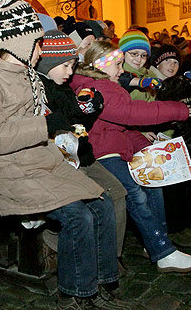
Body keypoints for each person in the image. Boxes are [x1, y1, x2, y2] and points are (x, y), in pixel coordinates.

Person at [0, 0, 132, 310]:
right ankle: (72, 301)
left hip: (39, 160)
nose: (40, 51)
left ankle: (99, 289)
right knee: (77, 216)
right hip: (6, 169)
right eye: (36, 42)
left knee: (102, 203)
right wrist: (47, 126)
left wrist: (72, 115)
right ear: (17, 42)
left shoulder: (24, 73)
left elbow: (48, 115)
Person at [70, 40, 191, 273]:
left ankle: (157, 243)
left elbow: (121, 127)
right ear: (100, 64)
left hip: (113, 147)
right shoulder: (97, 87)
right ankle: (163, 252)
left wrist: (147, 150)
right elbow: (131, 114)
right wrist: (178, 109)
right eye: (118, 65)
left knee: (154, 182)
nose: (122, 71)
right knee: (134, 192)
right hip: (102, 153)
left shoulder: (104, 84)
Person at [35, 30, 129, 259]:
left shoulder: (63, 84)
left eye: (72, 65)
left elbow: (74, 118)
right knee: (98, 203)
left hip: (82, 155)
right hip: (64, 160)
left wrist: (88, 109)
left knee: (117, 192)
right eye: (65, 65)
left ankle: (109, 257)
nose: (70, 71)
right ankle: (92, 256)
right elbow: (60, 119)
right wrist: (84, 110)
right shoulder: (42, 87)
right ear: (49, 62)